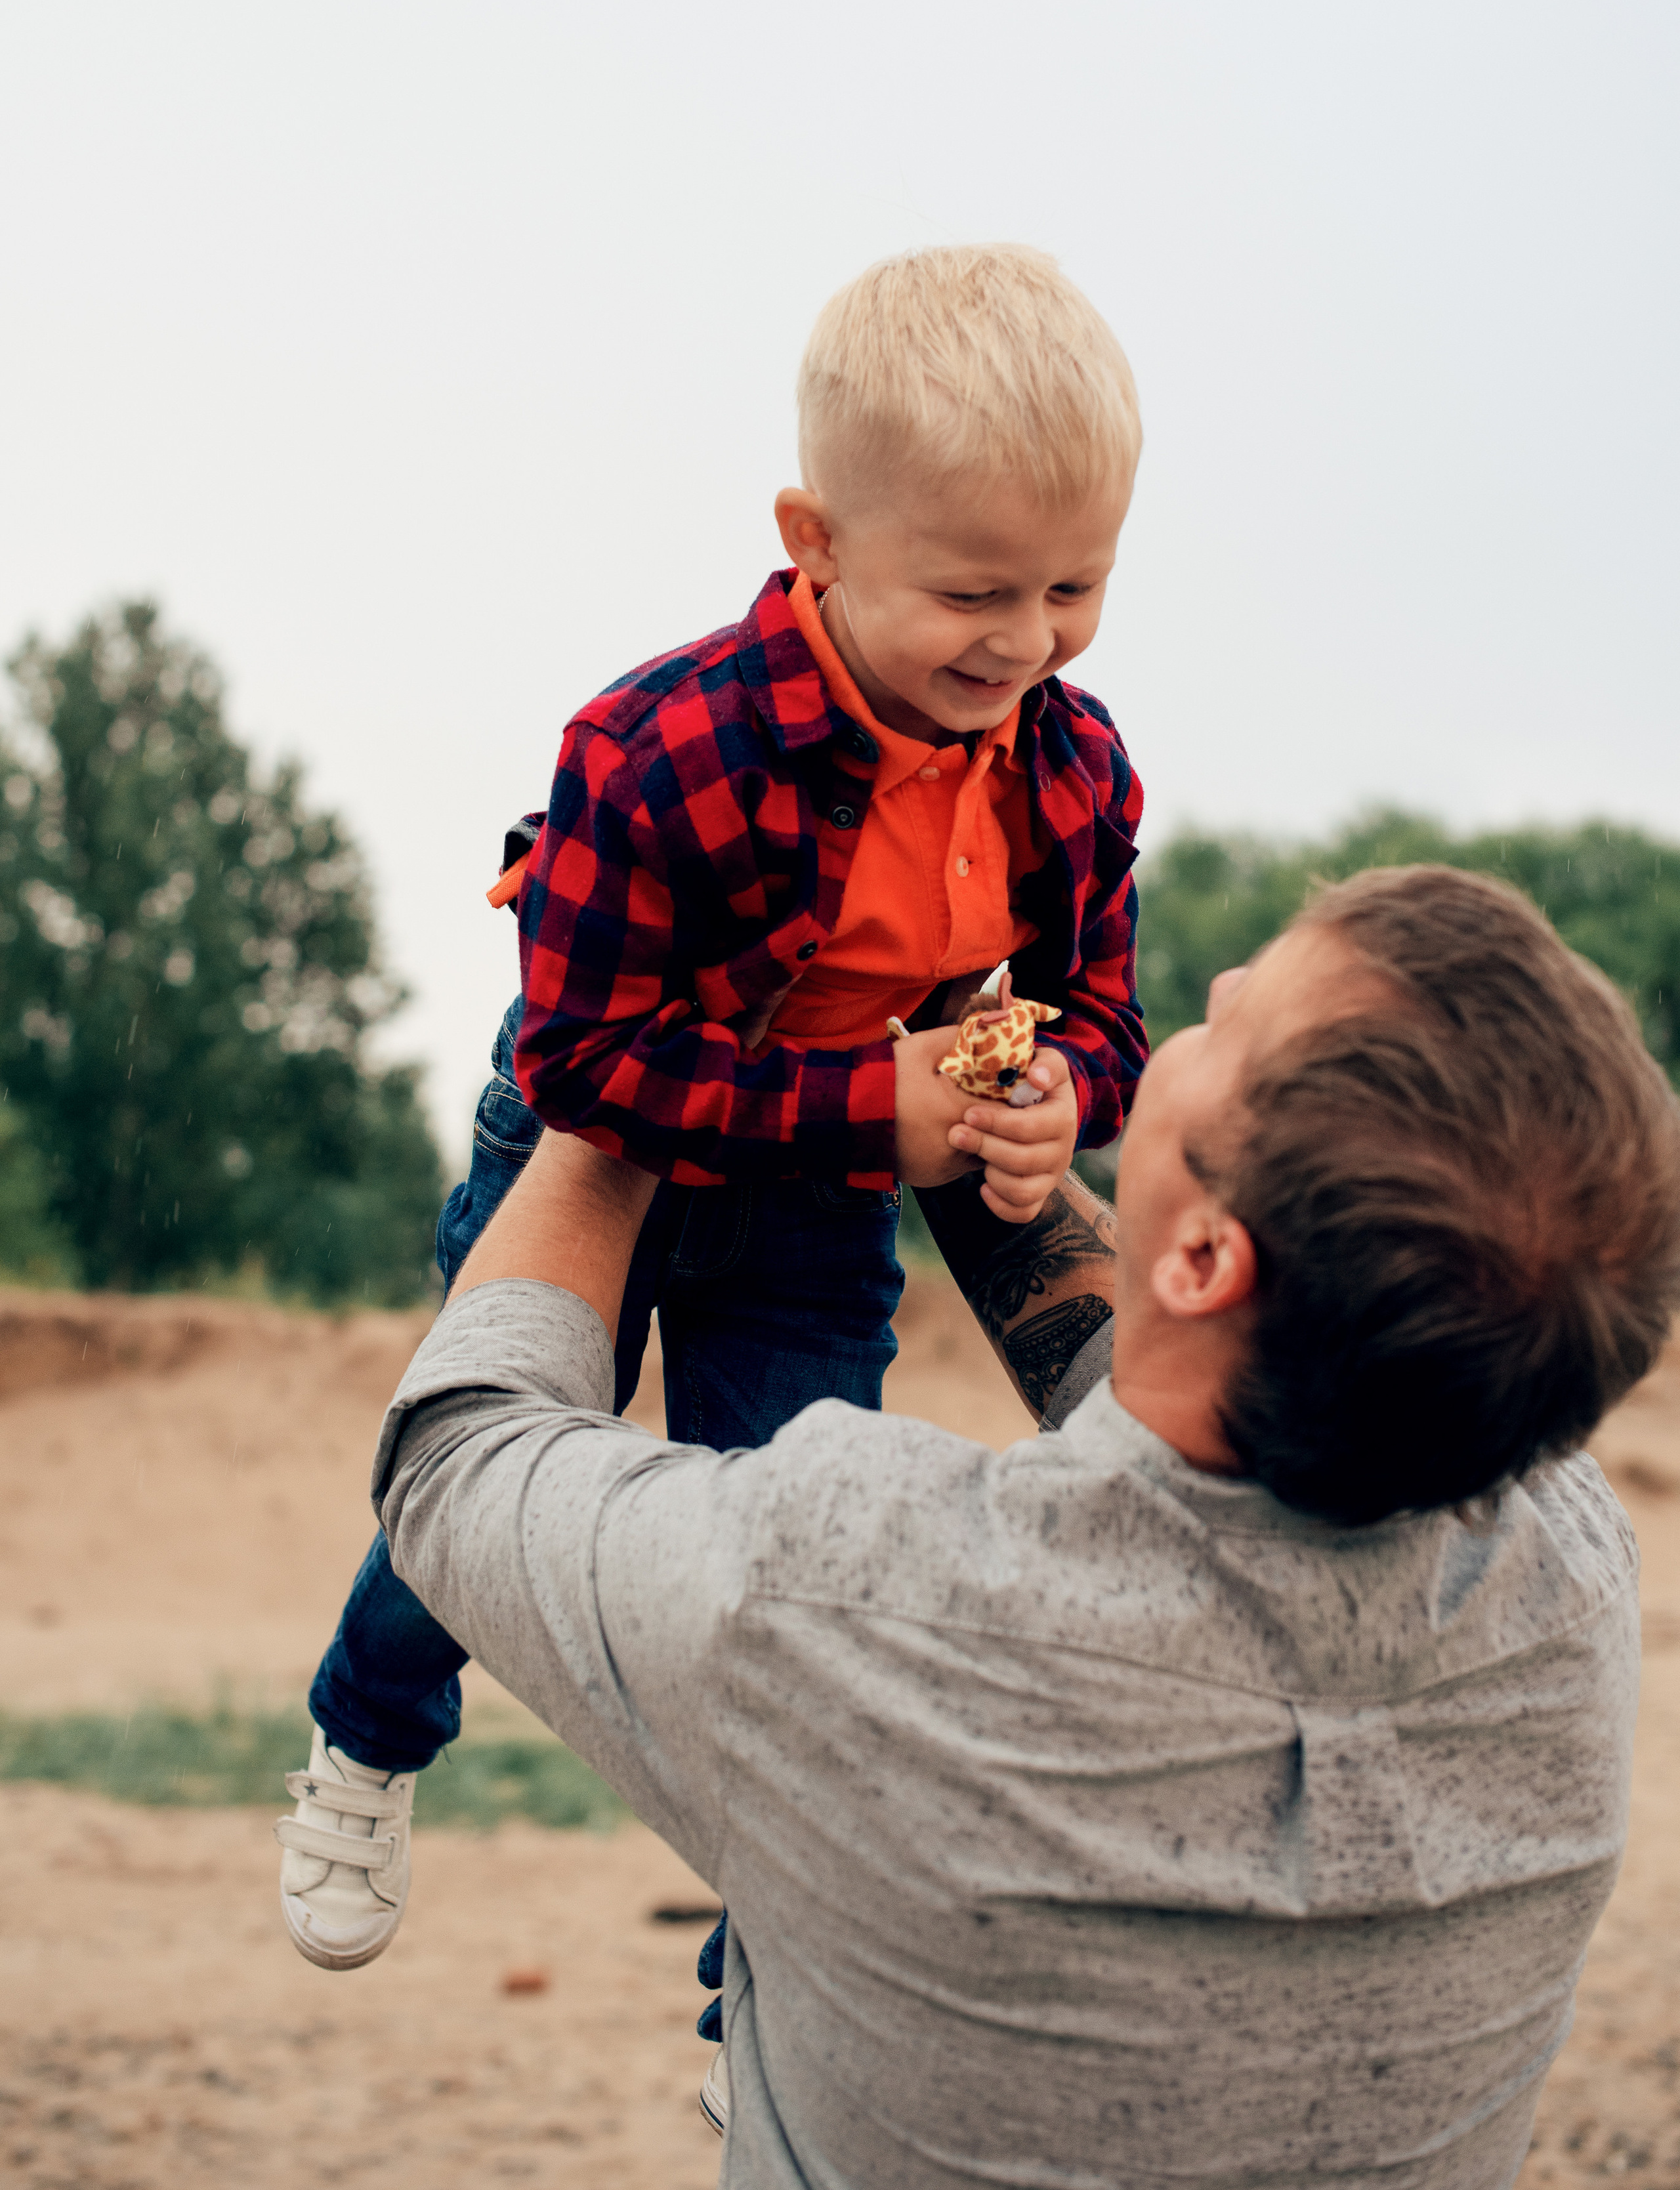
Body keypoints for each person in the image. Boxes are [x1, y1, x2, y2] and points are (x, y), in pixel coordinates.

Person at [368, 866, 1675, 2181]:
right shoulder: (1564, 1586)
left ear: (1210, 1260)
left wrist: (643, 1059)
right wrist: (936, 1040)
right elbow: (1193, 1368)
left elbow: (458, 1453)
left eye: (1235, 1032)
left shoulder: (854, 1603)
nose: (1209, 991)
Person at [276, 244, 1149, 1972]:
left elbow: (1092, 1007)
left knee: (794, 1570)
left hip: (815, 1201)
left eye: (1075, 586)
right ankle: (370, 1738)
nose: (1026, 640)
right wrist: (874, 1107)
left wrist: (1043, 1090)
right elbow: (582, 1061)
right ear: (816, 540)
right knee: (500, 1479)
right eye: (976, 590)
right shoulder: (656, 748)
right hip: (598, 1160)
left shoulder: (1070, 763)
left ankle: (749, 2020)